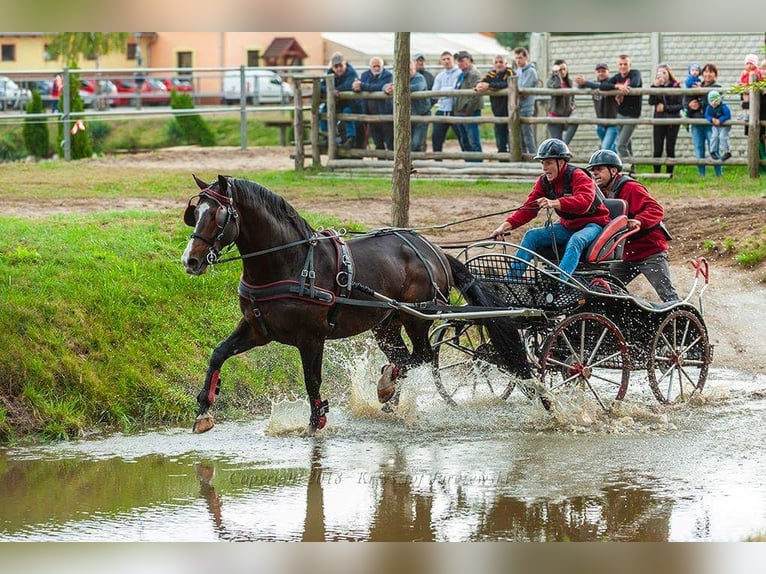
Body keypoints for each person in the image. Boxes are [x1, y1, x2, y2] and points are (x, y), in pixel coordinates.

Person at [491, 138, 610, 284]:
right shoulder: (544, 182)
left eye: (548, 162)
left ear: (560, 162)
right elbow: (528, 209)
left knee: (576, 240)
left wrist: (555, 203)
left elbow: (584, 202)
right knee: (531, 235)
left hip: (593, 224)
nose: (544, 167)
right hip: (568, 225)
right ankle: (511, 280)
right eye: (542, 163)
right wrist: (504, 227)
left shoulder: (578, 175)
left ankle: (560, 283)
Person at [586, 149, 679, 302]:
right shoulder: (600, 193)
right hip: (627, 255)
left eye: (599, 169)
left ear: (613, 170)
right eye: (593, 170)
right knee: (605, 290)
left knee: (668, 295)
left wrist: (639, 221)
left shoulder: (631, 187)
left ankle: (682, 321)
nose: (595, 173)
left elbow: (656, 209)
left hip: (650, 251)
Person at [597, 54, 643, 160]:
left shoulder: (635, 73)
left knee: (621, 145)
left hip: (632, 115)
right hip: (620, 114)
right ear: (617, 66)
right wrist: (617, 86)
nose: (623, 66)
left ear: (630, 65)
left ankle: (627, 167)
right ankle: (631, 169)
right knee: (626, 143)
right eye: (620, 64)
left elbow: (635, 84)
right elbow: (603, 86)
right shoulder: (617, 77)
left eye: (625, 64)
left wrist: (622, 91)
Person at [682, 62, 722, 177]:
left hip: (711, 123)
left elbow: (714, 102)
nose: (708, 74)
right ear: (702, 73)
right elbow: (686, 100)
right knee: (699, 149)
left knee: (713, 148)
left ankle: (718, 174)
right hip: (696, 122)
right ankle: (701, 174)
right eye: (706, 71)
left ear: (715, 74)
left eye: (711, 72)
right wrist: (690, 106)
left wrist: (701, 92)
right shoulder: (695, 84)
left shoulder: (717, 87)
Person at [383, 60, 431, 152]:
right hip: (407, 116)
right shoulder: (398, 78)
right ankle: (412, 162)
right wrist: (387, 88)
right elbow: (385, 85)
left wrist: (397, 88)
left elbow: (418, 87)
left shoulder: (419, 78)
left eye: (410, 69)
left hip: (421, 115)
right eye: (405, 69)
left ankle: (417, 162)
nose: (408, 71)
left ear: (414, 68)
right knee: (406, 142)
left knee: (416, 142)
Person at [319, 52, 362, 149]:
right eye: (336, 66)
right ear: (332, 67)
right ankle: (326, 137)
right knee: (323, 112)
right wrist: (331, 90)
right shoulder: (330, 73)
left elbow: (348, 85)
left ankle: (351, 138)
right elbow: (321, 86)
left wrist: (334, 90)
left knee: (347, 113)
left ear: (345, 64)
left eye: (340, 66)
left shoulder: (351, 73)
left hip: (351, 103)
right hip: (337, 104)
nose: (338, 68)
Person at [575, 62, 618, 152]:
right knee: (610, 147)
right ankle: (615, 165)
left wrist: (586, 82)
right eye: (598, 71)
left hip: (613, 122)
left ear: (608, 72)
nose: (601, 73)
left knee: (605, 147)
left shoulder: (612, 83)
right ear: (595, 73)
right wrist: (581, 81)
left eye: (603, 71)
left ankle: (611, 164)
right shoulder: (593, 84)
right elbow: (581, 86)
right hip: (600, 122)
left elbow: (602, 86)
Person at [647, 63, 682, 175]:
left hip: (672, 120)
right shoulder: (656, 86)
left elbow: (680, 105)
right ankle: (657, 173)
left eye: (664, 72)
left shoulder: (676, 86)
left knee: (670, 148)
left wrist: (665, 107)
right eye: (659, 73)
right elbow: (651, 102)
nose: (661, 75)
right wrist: (655, 86)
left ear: (669, 73)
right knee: (657, 147)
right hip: (659, 120)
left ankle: (669, 173)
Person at [475, 53, 513, 154]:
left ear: (506, 63)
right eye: (496, 62)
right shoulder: (491, 74)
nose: (498, 64)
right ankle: (502, 162)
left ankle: (513, 163)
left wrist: (489, 86)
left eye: (501, 62)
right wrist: (479, 85)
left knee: (512, 140)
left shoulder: (510, 72)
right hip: (497, 113)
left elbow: (507, 83)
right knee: (500, 140)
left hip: (510, 112)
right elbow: (481, 82)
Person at [353, 57, 393, 151]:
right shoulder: (364, 75)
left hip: (385, 113)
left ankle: (392, 162)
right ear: (370, 66)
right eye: (374, 66)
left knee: (389, 140)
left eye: (378, 66)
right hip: (370, 114)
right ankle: (380, 162)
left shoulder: (388, 75)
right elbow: (359, 87)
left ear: (382, 66)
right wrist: (356, 87)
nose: (376, 68)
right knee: (377, 140)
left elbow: (381, 86)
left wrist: (363, 86)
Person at [453, 50, 484, 161]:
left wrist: (467, 109)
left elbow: (476, 95)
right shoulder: (462, 74)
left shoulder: (474, 74)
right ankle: (469, 162)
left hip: (469, 111)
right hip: (461, 111)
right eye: (458, 61)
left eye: (462, 60)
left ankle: (477, 163)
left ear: (470, 60)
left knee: (472, 139)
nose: (460, 63)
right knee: (464, 139)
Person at [430, 51, 462, 157]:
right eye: (444, 59)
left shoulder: (459, 73)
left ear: (453, 59)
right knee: (436, 137)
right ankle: (437, 160)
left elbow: (456, 89)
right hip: (442, 109)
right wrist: (448, 92)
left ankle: (469, 159)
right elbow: (434, 94)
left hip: (455, 110)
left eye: (448, 59)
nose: (446, 61)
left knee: (462, 136)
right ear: (441, 62)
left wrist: (442, 91)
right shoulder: (440, 76)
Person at [512, 46, 538, 155]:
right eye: (516, 58)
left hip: (527, 106)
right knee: (520, 134)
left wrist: (515, 92)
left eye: (520, 58)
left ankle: (533, 157)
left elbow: (523, 91)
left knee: (528, 134)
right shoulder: (518, 71)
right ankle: (523, 156)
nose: (518, 60)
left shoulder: (531, 71)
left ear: (526, 57)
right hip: (518, 106)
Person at [546, 59, 578, 144]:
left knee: (575, 120)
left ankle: (565, 146)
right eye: (560, 70)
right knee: (557, 142)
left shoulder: (569, 82)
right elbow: (556, 86)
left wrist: (572, 105)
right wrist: (556, 74)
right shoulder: (551, 81)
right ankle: (563, 148)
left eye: (564, 69)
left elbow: (572, 97)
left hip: (566, 116)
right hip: (554, 117)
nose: (563, 72)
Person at [413, 53, 435, 151]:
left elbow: (435, 93)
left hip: (423, 111)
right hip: (411, 112)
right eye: (418, 60)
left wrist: (427, 104)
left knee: (420, 139)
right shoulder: (408, 75)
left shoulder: (429, 76)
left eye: (422, 61)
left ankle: (419, 160)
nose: (420, 63)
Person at [704, 90, 732, 161]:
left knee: (722, 137)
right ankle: (713, 151)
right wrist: (712, 119)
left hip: (724, 126)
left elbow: (727, 115)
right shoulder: (709, 108)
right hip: (715, 125)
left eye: (716, 100)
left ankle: (726, 152)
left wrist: (720, 120)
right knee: (714, 136)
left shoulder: (723, 106)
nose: (714, 102)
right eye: (712, 100)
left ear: (719, 100)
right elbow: (707, 115)